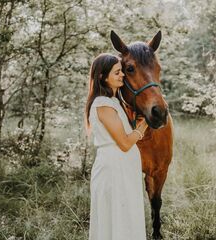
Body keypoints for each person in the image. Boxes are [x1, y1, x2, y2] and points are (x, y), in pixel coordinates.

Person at [85, 53, 148, 240]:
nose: (122, 75)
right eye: (117, 72)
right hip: (113, 169)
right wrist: (143, 126)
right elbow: (124, 143)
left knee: (126, 217)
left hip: (122, 168)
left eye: (121, 71)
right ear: (102, 77)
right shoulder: (102, 104)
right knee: (117, 219)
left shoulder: (114, 101)